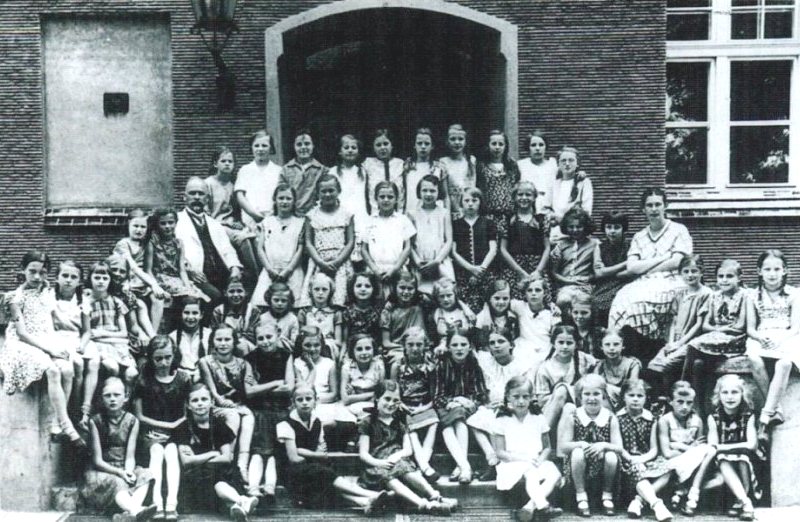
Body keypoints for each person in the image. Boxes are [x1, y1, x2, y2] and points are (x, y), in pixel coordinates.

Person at [0, 251, 84, 447]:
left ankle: (56, 424)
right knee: (53, 370)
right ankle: (68, 427)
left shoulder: (46, 292)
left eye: (43, 272)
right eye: (32, 271)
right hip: (22, 343)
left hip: (46, 339)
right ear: (23, 271)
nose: (37, 277)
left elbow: (54, 316)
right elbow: (22, 333)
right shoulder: (15, 298)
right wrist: (51, 351)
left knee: (68, 369)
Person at [609, 188, 693, 362]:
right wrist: (662, 257)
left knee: (640, 304)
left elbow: (678, 261)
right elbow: (632, 266)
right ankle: (624, 355)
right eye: (649, 205)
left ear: (665, 206)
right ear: (643, 209)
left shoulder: (678, 230)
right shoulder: (639, 237)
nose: (654, 209)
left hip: (672, 279)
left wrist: (646, 268)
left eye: (657, 204)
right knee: (620, 301)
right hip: (643, 281)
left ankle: (650, 352)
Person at [276, 385, 388, 513]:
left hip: (310, 468)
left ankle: (363, 501)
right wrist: (314, 455)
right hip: (290, 472)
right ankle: (371, 494)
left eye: (308, 398)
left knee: (323, 480)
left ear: (316, 400)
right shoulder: (285, 423)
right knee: (321, 473)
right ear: (293, 402)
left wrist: (306, 452)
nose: (305, 403)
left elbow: (321, 450)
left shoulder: (316, 421)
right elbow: (294, 458)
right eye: (300, 400)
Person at [358, 380, 456, 515]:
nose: (391, 404)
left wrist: (397, 456)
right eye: (387, 399)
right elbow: (363, 454)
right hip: (377, 465)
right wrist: (379, 462)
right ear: (376, 399)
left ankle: (436, 496)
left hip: (398, 461)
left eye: (395, 400)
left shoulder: (399, 421)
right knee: (387, 476)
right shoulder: (368, 422)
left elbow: (408, 449)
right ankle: (424, 505)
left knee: (407, 469)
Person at [172, 383, 259, 520]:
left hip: (220, 473)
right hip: (196, 478)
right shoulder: (183, 428)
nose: (200, 404)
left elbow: (226, 458)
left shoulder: (218, 424)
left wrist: (198, 458)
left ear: (212, 402)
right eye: (195, 400)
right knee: (215, 480)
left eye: (204, 399)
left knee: (218, 479)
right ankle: (242, 501)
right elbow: (187, 461)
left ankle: (237, 505)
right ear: (188, 405)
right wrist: (212, 454)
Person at [80, 377, 157, 522]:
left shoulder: (132, 420)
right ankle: (136, 511)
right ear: (102, 399)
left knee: (146, 475)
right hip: (103, 470)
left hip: (123, 466)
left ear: (126, 397)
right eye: (107, 396)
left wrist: (128, 471)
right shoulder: (95, 421)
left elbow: (129, 456)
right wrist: (120, 473)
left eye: (117, 395)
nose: (112, 399)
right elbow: (97, 460)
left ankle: (127, 515)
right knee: (117, 482)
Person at [683, 259, 755, 409]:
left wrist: (719, 330)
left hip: (735, 340)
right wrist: (719, 330)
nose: (724, 280)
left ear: (739, 278)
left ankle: (683, 388)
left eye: (729, 276)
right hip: (715, 339)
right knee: (698, 364)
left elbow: (740, 326)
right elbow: (705, 325)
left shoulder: (744, 296)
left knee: (692, 345)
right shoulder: (714, 296)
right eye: (720, 276)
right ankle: (698, 407)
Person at [491, 376, 563, 522]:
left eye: (525, 397)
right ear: (508, 397)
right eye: (516, 397)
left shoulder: (538, 417)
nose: (521, 401)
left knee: (554, 474)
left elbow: (547, 447)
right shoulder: (502, 419)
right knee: (531, 472)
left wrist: (541, 459)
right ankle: (543, 506)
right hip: (511, 463)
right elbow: (500, 453)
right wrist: (524, 459)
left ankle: (529, 507)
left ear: (531, 398)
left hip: (535, 459)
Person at [133, 336, 190, 520]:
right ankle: (157, 504)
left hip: (177, 432)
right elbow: (139, 416)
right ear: (151, 358)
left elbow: (186, 413)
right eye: (158, 358)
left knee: (172, 452)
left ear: (174, 356)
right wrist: (165, 426)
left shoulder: (183, 379)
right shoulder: (144, 381)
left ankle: (171, 504)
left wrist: (173, 428)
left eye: (167, 357)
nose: (164, 362)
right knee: (157, 451)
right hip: (151, 431)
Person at [746, 250, 800, 435]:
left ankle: (766, 413)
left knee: (784, 363)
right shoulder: (752, 295)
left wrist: (780, 338)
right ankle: (776, 409)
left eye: (777, 269)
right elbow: (751, 328)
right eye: (767, 269)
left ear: (785, 271)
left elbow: (795, 327)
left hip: (787, 336)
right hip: (761, 337)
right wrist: (760, 337)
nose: (772, 273)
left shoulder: (794, 294)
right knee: (754, 359)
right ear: (759, 271)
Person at [467, 331, 533, 482]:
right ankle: (492, 458)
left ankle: (497, 464)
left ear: (511, 344)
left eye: (501, 341)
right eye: (492, 343)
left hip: (516, 407)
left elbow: (525, 392)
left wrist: (507, 404)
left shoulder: (521, 365)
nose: (496, 346)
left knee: (497, 419)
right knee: (475, 420)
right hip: (491, 406)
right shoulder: (486, 362)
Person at [645, 254, 711, 398]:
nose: (690, 275)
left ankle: (673, 398)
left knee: (667, 364)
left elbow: (699, 325)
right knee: (653, 365)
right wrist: (670, 342)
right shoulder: (680, 294)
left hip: (692, 342)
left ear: (702, 272)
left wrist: (680, 344)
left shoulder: (706, 294)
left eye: (694, 271)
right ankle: (663, 399)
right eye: (686, 271)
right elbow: (674, 321)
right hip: (675, 340)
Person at [557, 374, 620, 517]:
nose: (592, 398)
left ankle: (607, 495)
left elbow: (619, 448)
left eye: (596, 394)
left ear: (603, 395)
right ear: (580, 396)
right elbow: (563, 446)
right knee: (577, 453)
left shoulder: (610, 417)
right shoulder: (574, 416)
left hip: (602, 461)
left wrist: (603, 445)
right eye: (587, 394)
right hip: (578, 463)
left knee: (611, 456)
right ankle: (581, 496)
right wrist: (580, 444)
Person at [174, 177, 244, 307]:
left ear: (207, 199)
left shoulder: (214, 223)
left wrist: (234, 267)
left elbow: (227, 249)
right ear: (184, 197)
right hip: (196, 275)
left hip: (221, 274)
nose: (196, 197)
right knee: (215, 297)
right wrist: (189, 270)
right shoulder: (176, 221)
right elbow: (173, 251)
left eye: (201, 194)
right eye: (192, 193)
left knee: (240, 293)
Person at [244, 322, 294, 502]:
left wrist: (260, 387)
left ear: (278, 334)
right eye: (260, 338)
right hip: (260, 410)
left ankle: (269, 487)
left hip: (281, 409)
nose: (265, 342)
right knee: (261, 449)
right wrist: (274, 383)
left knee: (273, 450)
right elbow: (249, 392)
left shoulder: (286, 355)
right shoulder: (251, 358)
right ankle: (254, 487)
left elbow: (289, 388)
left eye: (269, 337)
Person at [198, 325, 256, 479]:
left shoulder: (243, 363)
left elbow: (246, 391)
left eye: (227, 339)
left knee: (249, 416)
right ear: (212, 342)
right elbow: (213, 393)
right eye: (219, 339)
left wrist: (238, 403)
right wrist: (226, 402)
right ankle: (227, 458)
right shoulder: (206, 361)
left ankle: (242, 465)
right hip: (215, 405)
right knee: (233, 415)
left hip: (236, 404)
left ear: (234, 341)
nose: (223, 343)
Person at [433, 328, 488, 485]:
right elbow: (437, 396)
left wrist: (464, 400)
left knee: (459, 416)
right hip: (445, 407)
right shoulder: (441, 365)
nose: (459, 348)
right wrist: (452, 401)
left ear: (470, 346)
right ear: (448, 347)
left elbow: (480, 393)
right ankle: (465, 466)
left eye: (463, 344)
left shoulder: (474, 364)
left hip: (466, 408)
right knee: (450, 423)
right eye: (454, 345)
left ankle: (461, 466)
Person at [616, 379, 673, 522]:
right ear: (623, 397)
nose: (635, 399)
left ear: (646, 398)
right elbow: (619, 447)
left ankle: (638, 501)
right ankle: (657, 504)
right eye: (631, 395)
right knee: (638, 469)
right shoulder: (617, 418)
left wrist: (643, 458)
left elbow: (654, 449)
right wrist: (632, 459)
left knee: (668, 468)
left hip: (646, 458)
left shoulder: (651, 419)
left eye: (639, 396)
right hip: (625, 461)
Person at [657, 381, 717, 517]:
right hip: (672, 466)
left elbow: (701, 451)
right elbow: (667, 453)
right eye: (680, 402)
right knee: (706, 451)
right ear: (670, 401)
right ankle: (687, 493)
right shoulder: (665, 421)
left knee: (709, 452)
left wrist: (677, 445)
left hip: (693, 465)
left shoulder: (697, 421)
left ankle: (687, 492)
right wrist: (689, 448)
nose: (684, 407)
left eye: (689, 403)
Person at [390, 327, 440, 483]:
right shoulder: (398, 365)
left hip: (425, 405)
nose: (415, 348)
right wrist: (401, 404)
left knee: (434, 422)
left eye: (419, 344)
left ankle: (421, 465)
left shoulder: (430, 365)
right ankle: (425, 467)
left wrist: (425, 407)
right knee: (410, 427)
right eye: (411, 344)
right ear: (404, 346)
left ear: (425, 345)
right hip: (404, 405)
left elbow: (434, 391)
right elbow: (393, 390)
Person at [51, 260, 96, 436]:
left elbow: (87, 331)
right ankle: (64, 412)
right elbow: (47, 327)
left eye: (73, 277)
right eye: (65, 276)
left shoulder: (82, 302)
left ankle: (76, 406)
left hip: (76, 339)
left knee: (81, 362)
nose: (69, 280)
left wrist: (81, 346)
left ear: (79, 281)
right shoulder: (49, 299)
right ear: (57, 278)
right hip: (56, 338)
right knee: (70, 366)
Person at [707, 375, 759, 521]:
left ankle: (742, 499)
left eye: (735, 392)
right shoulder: (714, 417)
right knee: (723, 458)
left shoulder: (748, 415)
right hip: (723, 464)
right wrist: (722, 448)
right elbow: (713, 446)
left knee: (742, 457)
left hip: (748, 462)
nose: (730, 397)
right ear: (719, 395)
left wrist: (723, 447)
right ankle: (745, 501)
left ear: (743, 394)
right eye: (725, 392)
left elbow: (751, 445)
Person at [204, 146, 259, 282]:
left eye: (230, 161)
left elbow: (236, 212)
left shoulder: (233, 185)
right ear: (215, 163)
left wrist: (239, 224)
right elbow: (206, 214)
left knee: (254, 237)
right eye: (223, 161)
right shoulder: (208, 184)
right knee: (242, 239)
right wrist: (225, 223)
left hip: (231, 225)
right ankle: (257, 278)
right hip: (214, 226)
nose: (227, 164)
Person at [80, 260, 138, 387]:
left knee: (132, 373)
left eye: (105, 278)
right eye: (97, 277)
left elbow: (124, 333)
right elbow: (89, 334)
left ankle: (125, 401)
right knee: (112, 367)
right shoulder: (85, 302)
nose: (101, 281)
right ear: (90, 279)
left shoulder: (117, 302)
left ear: (110, 280)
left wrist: (101, 333)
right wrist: (109, 336)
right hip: (99, 347)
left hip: (119, 346)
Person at [301, 174, 355, 306]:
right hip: (319, 262)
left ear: (339, 191)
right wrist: (320, 262)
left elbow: (350, 242)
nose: (327, 194)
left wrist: (337, 262)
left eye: (331, 190)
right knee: (319, 295)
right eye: (323, 191)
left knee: (340, 299)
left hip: (340, 262)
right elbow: (308, 242)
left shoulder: (346, 214)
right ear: (318, 193)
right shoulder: (311, 215)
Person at [146, 207, 209, 318]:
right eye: (163, 223)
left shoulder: (178, 243)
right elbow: (148, 270)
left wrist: (187, 286)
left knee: (198, 297)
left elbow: (182, 270)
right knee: (188, 298)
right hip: (161, 279)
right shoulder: (153, 243)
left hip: (177, 279)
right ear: (157, 225)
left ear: (176, 223)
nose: (167, 227)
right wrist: (155, 286)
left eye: (171, 223)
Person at [533, 325, 597, 436]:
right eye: (561, 342)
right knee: (563, 394)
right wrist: (564, 393)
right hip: (553, 409)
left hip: (581, 403)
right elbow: (541, 400)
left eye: (569, 343)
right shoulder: (546, 367)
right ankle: (541, 436)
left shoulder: (585, 359)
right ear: (553, 343)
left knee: (569, 404)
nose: (565, 347)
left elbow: (597, 372)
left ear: (576, 344)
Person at [251, 184, 305, 307]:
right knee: (262, 305)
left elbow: (301, 248)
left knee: (293, 304)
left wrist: (288, 270)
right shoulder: (267, 222)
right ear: (275, 200)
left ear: (294, 201)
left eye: (288, 198)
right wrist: (269, 269)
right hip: (270, 270)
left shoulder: (300, 223)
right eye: (281, 198)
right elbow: (260, 248)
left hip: (292, 271)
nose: (284, 202)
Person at [113, 209, 168, 329]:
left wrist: (157, 287)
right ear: (128, 225)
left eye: (143, 227)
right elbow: (133, 267)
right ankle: (138, 331)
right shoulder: (123, 244)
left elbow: (147, 269)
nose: (139, 230)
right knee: (138, 304)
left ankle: (154, 332)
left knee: (158, 299)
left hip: (141, 282)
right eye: (135, 226)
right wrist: (153, 284)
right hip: (126, 280)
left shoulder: (146, 244)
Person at [498, 181, 549, 300]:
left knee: (542, 299)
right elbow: (503, 249)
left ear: (535, 197)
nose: (524, 198)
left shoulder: (541, 219)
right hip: (514, 268)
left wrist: (538, 271)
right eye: (520, 194)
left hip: (537, 267)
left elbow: (547, 248)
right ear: (515, 197)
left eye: (528, 194)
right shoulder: (507, 219)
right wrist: (520, 272)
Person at [451, 187, 498, 312]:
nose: (470, 203)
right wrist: (470, 268)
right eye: (466, 200)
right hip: (463, 273)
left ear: (480, 202)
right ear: (461, 203)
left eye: (474, 200)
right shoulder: (455, 224)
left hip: (485, 273)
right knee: (465, 306)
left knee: (487, 306)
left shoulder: (488, 223)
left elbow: (493, 249)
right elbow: (454, 252)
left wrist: (481, 269)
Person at [362, 181, 416, 288]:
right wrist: (375, 269)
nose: (386, 200)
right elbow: (364, 249)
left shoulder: (403, 220)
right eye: (382, 197)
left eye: (390, 197)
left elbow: (408, 247)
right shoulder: (370, 221)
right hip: (375, 271)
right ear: (376, 199)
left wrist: (395, 269)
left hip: (398, 270)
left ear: (396, 199)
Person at [409, 175, 454, 294]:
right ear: (419, 191)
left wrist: (438, 260)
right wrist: (417, 261)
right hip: (421, 263)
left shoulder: (444, 213)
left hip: (440, 261)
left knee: (444, 293)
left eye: (432, 191)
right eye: (425, 190)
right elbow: (410, 244)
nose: (428, 194)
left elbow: (449, 240)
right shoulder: (412, 214)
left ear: (439, 192)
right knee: (422, 295)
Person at [549, 207, 600, 309]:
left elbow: (598, 270)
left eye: (579, 226)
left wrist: (588, 279)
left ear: (585, 227)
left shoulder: (594, 244)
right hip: (565, 286)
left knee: (583, 302)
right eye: (571, 227)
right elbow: (554, 273)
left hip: (585, 286)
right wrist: (569, 282)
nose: (575, 230)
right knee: (564, 300)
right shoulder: (560, 245)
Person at [510, 275, 562, 373]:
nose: (533, 293)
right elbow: (500, 302)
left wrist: (553, 305)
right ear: (525, 293)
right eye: (529, 290)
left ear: (545, 293)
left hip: (544, 347)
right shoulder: (520, 306)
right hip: (524, 347)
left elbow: (555, 337)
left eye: (538, 290)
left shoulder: (552, 313)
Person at [380, 270, 432, 366]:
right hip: (397, 348)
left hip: (419, 347)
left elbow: (435, 300)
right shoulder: (388, 312)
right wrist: (405, 348)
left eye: (410, 288)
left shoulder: (420, 307)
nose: (406, 292)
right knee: (400, 360)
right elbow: (386, 343)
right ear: (395, 288)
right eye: (402, 288)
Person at [235, 129, 282, 229]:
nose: (260, 149)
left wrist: (271, 216)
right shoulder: (245, 170)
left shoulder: (278, 171)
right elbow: (240, 196)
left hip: (273, 219)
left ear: (271, 148)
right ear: (251, 148)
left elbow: (281, 195)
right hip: (251, 220)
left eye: (264, 146)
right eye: (256, 145)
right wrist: (255, 215)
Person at [591, 211, 631, 326]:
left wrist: (607, 271)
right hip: (604, 285)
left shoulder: (631, 246)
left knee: (620, 302)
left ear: (624, 229)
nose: (612, 231)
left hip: (624, 284)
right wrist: (626, 263)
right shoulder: (599, 247)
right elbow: (599, 274)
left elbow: (631, 272)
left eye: (617, 227)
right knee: (595, 301)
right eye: (609, 227)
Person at [279, 129, 328, 216]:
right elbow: (281, 194)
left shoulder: (322, 170)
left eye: (307, 144)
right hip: (292, 216)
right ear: (294, 146)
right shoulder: (286, 170)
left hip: (315, 216)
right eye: (299, 144)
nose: (303, 147)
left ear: (313, 146)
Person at [476, 129, 519, 226]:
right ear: (488, 145)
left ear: (505, 146)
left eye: (501, 144)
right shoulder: (481, 166)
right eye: (494, 144)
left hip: (510, 216)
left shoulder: (512, 165)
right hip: (488, 216)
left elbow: (517, 189)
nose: (497, 147)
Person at [401, 127, 449, 213]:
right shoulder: (408, 167)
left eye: (427, 144)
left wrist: (447, 216)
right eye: (419, 143)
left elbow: (445, 196)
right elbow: (403, 193)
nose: (423, 146)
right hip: (412, 212)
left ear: (432, 146)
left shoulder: (439, 168)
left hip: (435, 215)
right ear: (414, 145)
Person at [549, 146, 593, 242]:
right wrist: (551, 217)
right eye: (563, 161)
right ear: (558, 164)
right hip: (555, 234)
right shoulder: (554, 184)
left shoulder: (584, 183)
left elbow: (586, 211)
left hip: (576, 233)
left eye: (571, 160)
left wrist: (562, 220)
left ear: (577, 164)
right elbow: (546, 208)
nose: (567, 164)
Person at [297, 272, 343, 361]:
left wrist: (324, 344)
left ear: (330, 291)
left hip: (329, 348)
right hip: (310, 347)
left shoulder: (336, 313)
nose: (320, 293)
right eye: (316, 289)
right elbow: (301, 337)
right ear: (310, 290)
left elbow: (338, 341)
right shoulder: (304, 312)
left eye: (324, 289)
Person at [592, 329, 641, 411]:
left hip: (626, 403)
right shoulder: (599, 365)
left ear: (623, 346)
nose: (612, 348)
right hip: (603, 403)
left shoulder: (632, 364)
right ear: (601, 347)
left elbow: (632, 388)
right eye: (607, 344)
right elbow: (593, 387)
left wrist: (608, 389)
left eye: (616, 344)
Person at [210, 279, 258, 356]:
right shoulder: (219, 310)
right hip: (224, 342)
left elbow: (252, 335)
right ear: (225, 293)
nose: (235, 295)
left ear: (246, 292)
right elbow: (215, 331)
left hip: (246, 346)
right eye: (231, 291)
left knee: (242, 346)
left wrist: (235, 340)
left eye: (239, 291)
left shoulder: (253, 310)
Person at [362, 128, 406, 214]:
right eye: (378, 145)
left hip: (398, 214)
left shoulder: (400, 164)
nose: (382, 147)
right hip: (375, 214)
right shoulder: (367, 164)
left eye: (386, 144)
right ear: (373, 147)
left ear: (391, 145)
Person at [438, 123, 477, 217]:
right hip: (452, 211)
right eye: (453, 139)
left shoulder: (471, 161)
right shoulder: (443, 162)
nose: (457, 142)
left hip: (469, 209)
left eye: (460, 139)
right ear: (447, 141)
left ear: (465, 141)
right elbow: (445, 194)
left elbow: (473, 188)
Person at [516, 130, 558, 215]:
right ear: (528, 147)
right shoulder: (521, 165)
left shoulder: (553, 164)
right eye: (533, 145)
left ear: (546, 147)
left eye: (541, 145)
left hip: (549, 210)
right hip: (527, 210)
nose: (537, 148)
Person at [167, 297, 211, 378]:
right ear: (181, 314)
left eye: (195, 313)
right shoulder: (172, 337)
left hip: (203, 376)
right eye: (186, 313)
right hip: (180, 377)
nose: (190, 317)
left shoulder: (209, 335)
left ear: (201, 315)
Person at [430, 277, 475, 353]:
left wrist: (462, 304)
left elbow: (472, 323)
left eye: (449, 295)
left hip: (463, 347)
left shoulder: (462, 312)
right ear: (437, 298)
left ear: (455, 295)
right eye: (442, 296)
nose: (446, 299)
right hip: (444, 348)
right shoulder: (437, 313)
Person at [252, 282, 299, 353]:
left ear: (289, 302)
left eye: (284, 301)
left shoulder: (292, 319)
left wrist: (279, 340)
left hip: (285, 352)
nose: (279, 304)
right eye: (276, 300)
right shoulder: (263, 318)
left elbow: (294, 343)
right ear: (269, 300)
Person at [341, 271, 382, 347]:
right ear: (352, 288)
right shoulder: (347, 311)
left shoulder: (378, 310)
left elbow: (379, 337)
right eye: (359, 286)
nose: (363, 289)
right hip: (353, 349)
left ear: (374, 289)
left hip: (371, 349)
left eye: (367, 286)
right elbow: (344, 341)